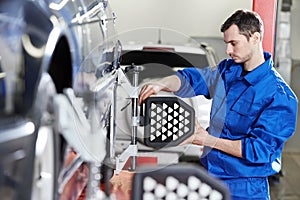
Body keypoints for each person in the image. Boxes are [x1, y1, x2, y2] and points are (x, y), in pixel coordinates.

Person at [138, 9, 298, 200]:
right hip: (210, 178)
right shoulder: (228, 71)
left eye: (234, 43)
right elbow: (195, 79)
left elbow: (258, 150)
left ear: (255, 38)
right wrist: (163, 82)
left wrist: (205, 139)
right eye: (226, 44)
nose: (228, 50)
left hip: (245, 189)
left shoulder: (280, 96)